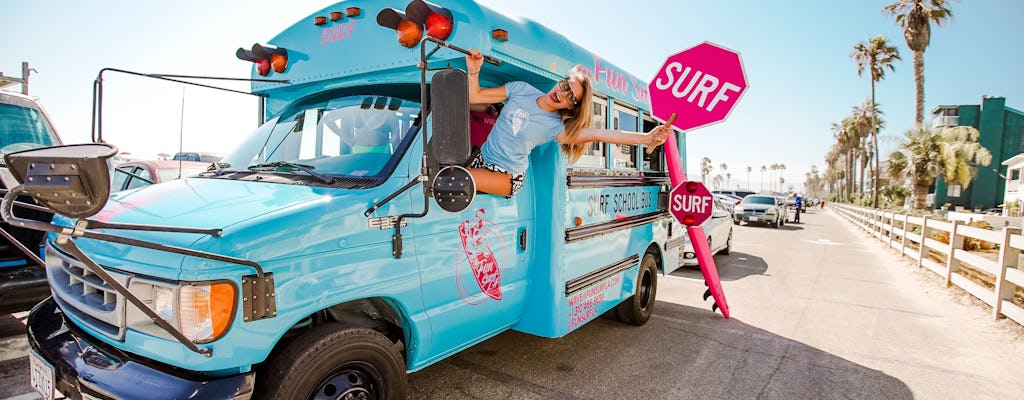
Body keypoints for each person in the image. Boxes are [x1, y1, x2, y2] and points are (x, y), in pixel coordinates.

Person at [465, 49, 671, 197]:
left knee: (458, 179)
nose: (562, 94)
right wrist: (474, 71)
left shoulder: (557, 128)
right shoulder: (520, 89)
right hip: (481, 159)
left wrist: (646, 137)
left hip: (507, 175)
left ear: (571, 107)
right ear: (560, 81)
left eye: (571, 98)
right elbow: (474, 96)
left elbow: (599, 134)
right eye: (565, 86)